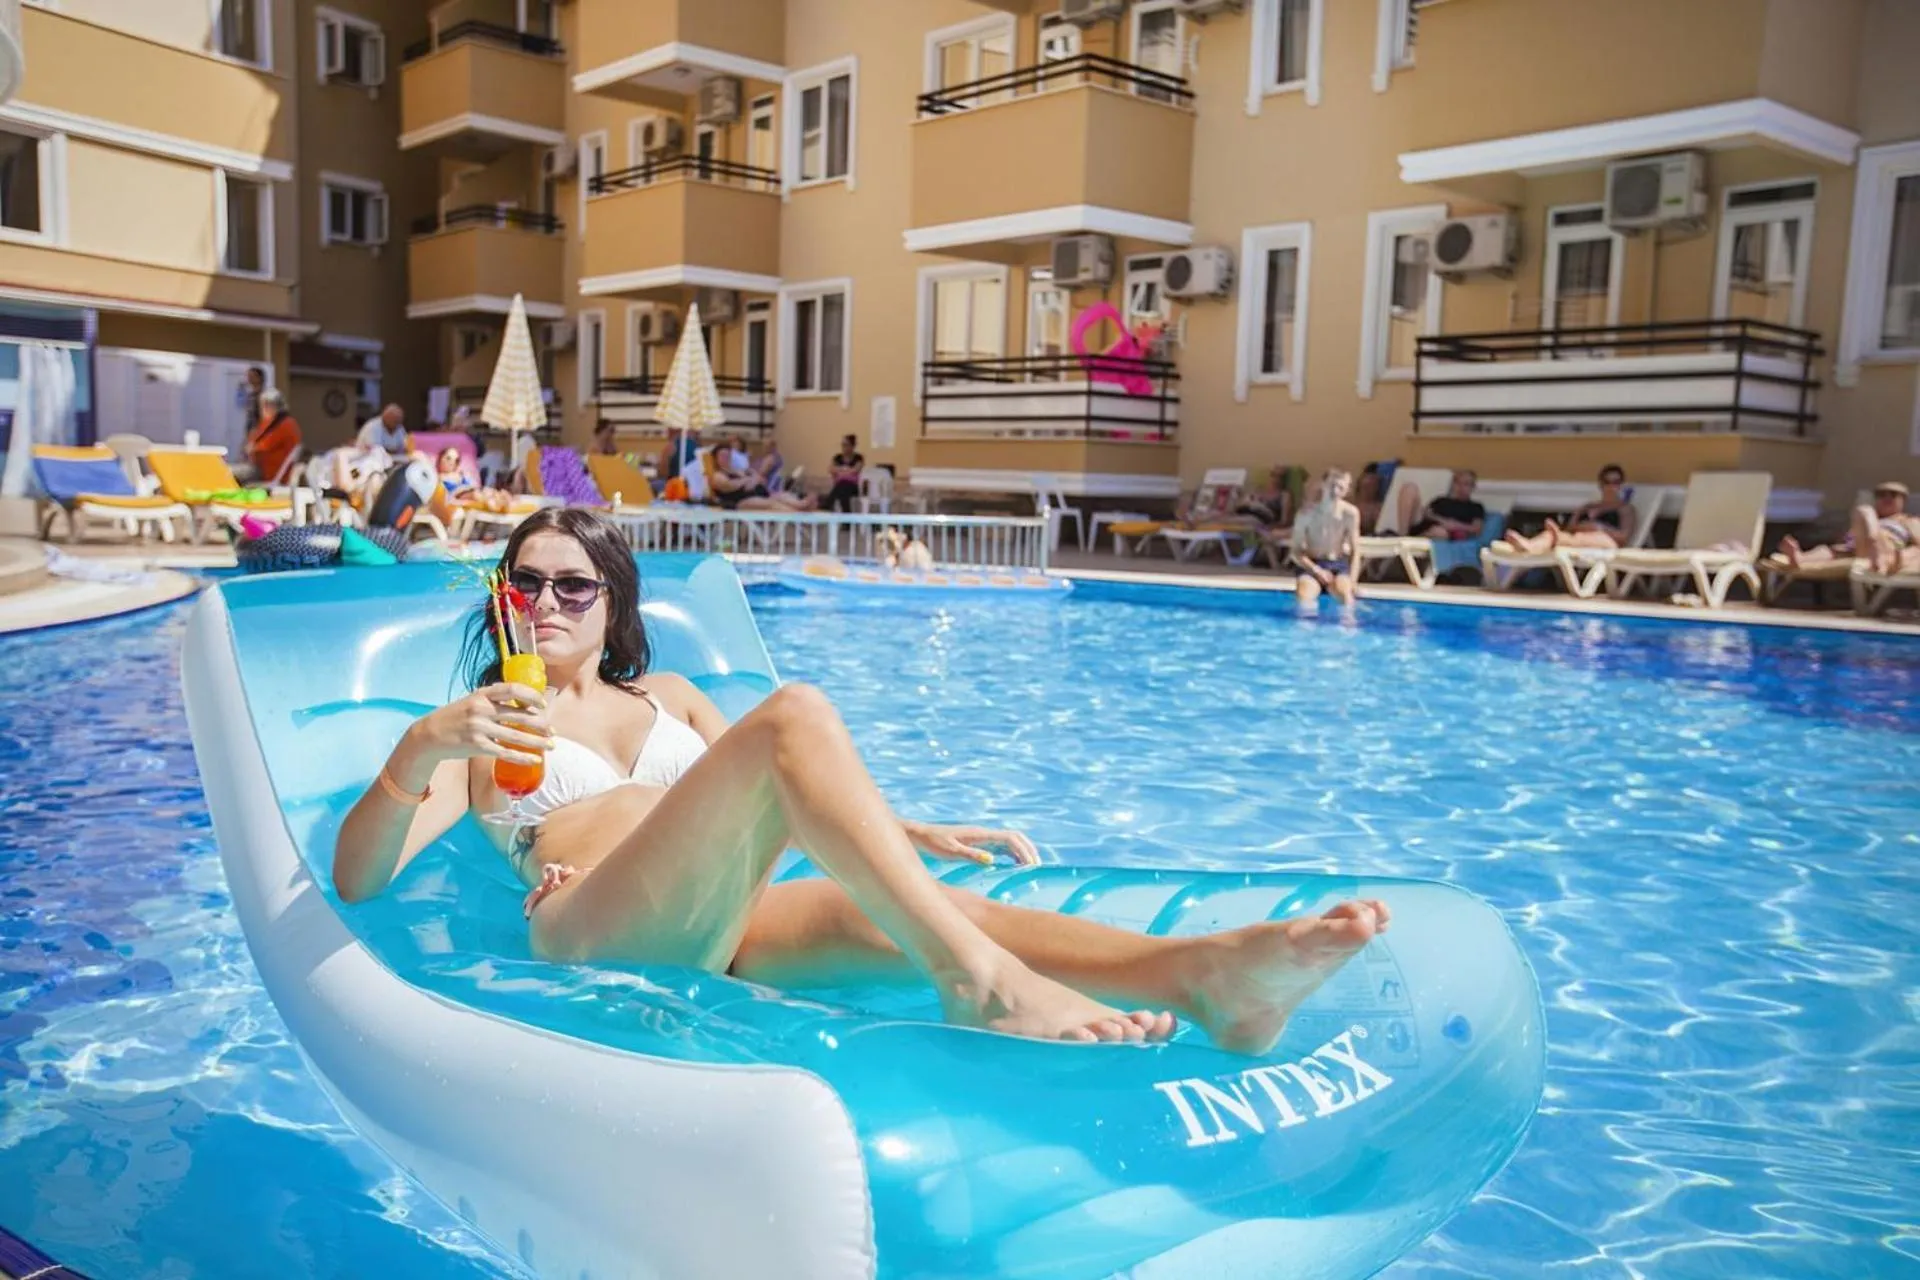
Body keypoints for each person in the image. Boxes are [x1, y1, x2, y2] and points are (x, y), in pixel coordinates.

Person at [332, 508, 1390, 1050]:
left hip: (721, 916)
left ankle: (1209, 977)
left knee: (891, 895)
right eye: (528, 581)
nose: (551, 597)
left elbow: (775, 790)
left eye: (577, 582)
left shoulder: (677, 695)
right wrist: (421, 745)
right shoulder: (484, 726)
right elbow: (360, 878)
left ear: (614, 603)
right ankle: (976, 982)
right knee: (799, 708)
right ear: (505, 601)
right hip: (586, 923)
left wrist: (901, 827)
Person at [1778, 480, 1920, 574]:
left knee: (1864, 510)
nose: (1887, 498)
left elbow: (1918, 546)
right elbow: (1846, 539)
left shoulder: (1908, 520)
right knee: (1827, 550)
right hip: (1857, 549)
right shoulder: (1870, 520)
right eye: (1882, 495)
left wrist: (1902, 557)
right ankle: (1799, 558)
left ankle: (1875, 544)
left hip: (1886, 548)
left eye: (1893, 495)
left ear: (1903, 501)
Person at [1492, 464, 1634, 555]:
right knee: (1553, 535)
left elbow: (1624, 536)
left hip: (1608, 542)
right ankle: (1530, 545)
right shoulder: (1588, 507)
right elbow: (1570, 527)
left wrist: (1599, 527)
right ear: (1600, 485)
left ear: (1621, 485)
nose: (1611, 486)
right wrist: (1584, 526)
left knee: (1561, 536)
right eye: (1607, 482)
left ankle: (1539, 543)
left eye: (1615, 482)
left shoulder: (1625, 509)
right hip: (1578, 537)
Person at [1290, 468, 1362, 606]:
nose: (1335, 490)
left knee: (1345, 598)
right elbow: (1295, 551)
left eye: (1341, 487)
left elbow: (1356, 550)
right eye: (1332, 485)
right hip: (1312, 564)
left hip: (1337, 564)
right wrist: (1316, 570)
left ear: (1347, 490)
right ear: (1323, 484)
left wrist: (1353, 581)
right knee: (1304, 598)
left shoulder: (1350, 513)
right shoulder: (1306, 514)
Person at [1406, 470, 1487, 541]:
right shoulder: (1441, 500)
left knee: (1440, 532)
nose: (1460, 487)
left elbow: (1476, 529)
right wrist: (1442, 520)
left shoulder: (1475, 507)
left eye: (1465, 484)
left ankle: (1409, 541)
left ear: (1473, 487)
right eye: (1457, 482)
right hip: (1423, 526)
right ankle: (1402, 535)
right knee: (1410, 488)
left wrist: (1456, 525)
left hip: (1441, 533)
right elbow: (1426, 513)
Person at [242, 389, 301, 485]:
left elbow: (265, 445)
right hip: (261, 468)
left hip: (272, 472)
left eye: (264, 405)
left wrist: (251, 448)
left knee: (232, 475)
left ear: (273, 405)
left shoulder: (286, 424)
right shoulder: (270, 421)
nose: (261, 409)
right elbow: (254, 440)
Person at [827, 435, 864, 513]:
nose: (844, 447)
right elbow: (831, 469)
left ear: (852, 446)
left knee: (842, 488)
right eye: (842, 445)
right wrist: (847, 470)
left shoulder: (858, 458)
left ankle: (828, 505)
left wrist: (840, 471)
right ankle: (847, 519)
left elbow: (856, 470)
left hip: (852, 487)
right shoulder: (837, 457)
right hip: (840, 486)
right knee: (842, 490)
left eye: (846, 445)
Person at [237, 365, 266, 447]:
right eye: (248, 376)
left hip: (259, 434)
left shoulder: (264, 396)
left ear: (259, 378)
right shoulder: (250, 395)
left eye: (251, 376)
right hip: (250, 433)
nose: (248, 379)